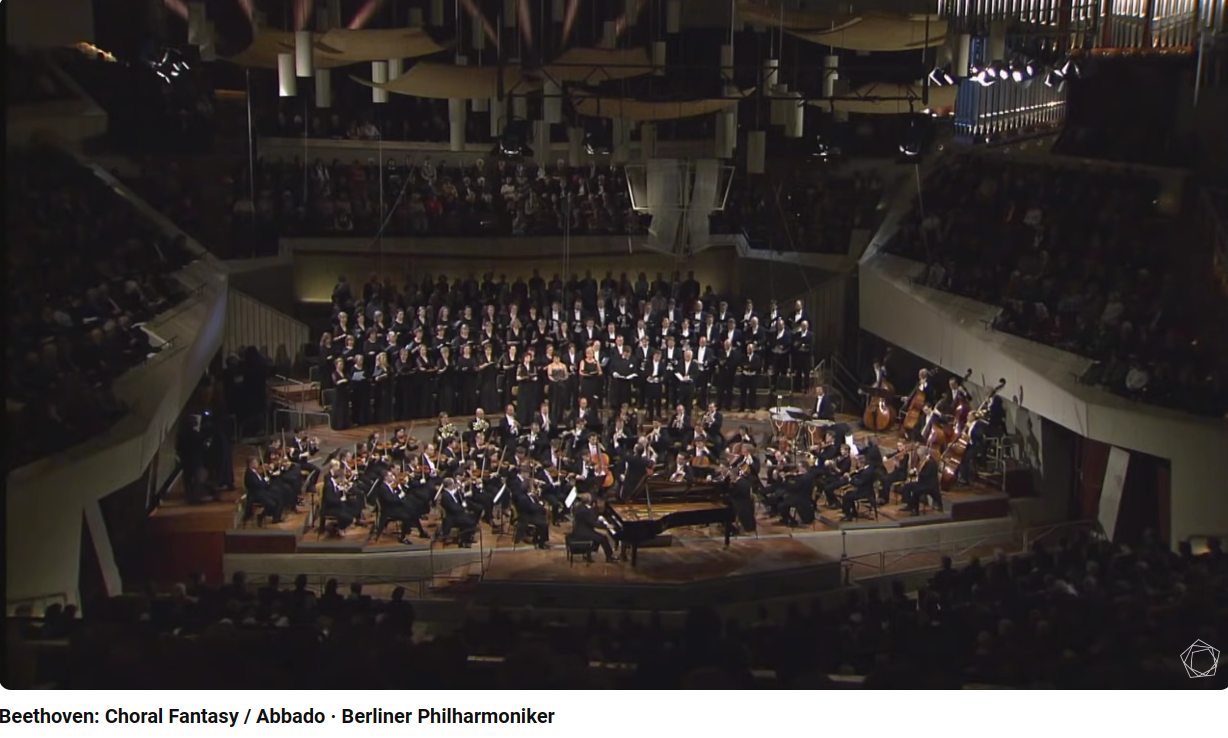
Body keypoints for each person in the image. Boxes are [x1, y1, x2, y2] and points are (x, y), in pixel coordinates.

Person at [569, 492, 615, 562]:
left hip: (580, 529)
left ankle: (589, 551)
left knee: (598, 537)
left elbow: (591, 519)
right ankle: (609, 557)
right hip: (583, 532)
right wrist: (606, 526)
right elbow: (594, 523)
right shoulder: (586, 511)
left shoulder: (581, 507)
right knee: (603, 538)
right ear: (589, 501)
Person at [901, 446, 942, 512]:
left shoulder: (931, 462)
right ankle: (910, 505)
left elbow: (925, 475)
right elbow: (921, 473)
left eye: (919, 455)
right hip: (922, 482)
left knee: (916, 491)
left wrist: (917, 472)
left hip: (929, 485)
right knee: (907, 486)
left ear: (923, 455)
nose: (919, 457)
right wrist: (914, 472)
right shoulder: (924, 461)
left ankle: (915, 510)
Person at [438, 477, 477, 546]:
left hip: (457, 514)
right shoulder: (445, 496)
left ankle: (466, 538)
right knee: (471, 522)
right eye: (453, 484)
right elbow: (453, 508)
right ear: (449, 485)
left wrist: (460, 490)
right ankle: (463, 541)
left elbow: (458, 500)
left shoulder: (450, 493)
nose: (454, 485)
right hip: (452, 517)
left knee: (473, 517)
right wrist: (463, 508)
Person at [242, 456, 282, 523]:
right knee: (271, 504)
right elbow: (257, 485)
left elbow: (261, 482)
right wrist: (265, 481)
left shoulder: (255, 472)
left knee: (278, 498)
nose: (257, 464)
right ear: (251, 464)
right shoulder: (249, 474)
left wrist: (266, 480)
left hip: (262, 492)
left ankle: (276, 518)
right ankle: (261, 516)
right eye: (256, 462)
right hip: (256, 495)